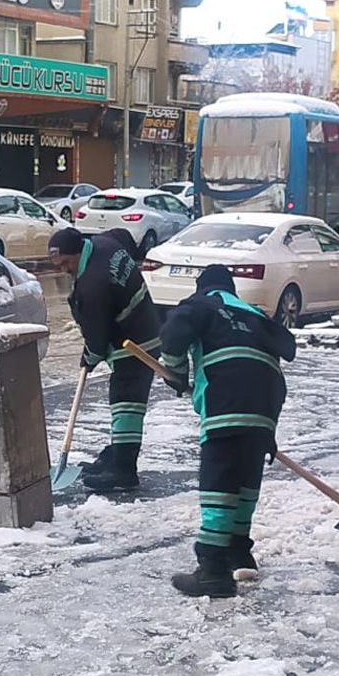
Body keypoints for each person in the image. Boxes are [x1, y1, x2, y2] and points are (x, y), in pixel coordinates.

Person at [158, 264, 297, 597]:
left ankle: (212, 569)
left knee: (219, 481)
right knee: (245, 479)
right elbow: (286, 346)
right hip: (267, 403)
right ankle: (239, 550)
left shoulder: (201, 303)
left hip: (227, 399)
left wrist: (174, 373)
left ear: (201, 286)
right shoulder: (251, 312)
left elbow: (173, 334)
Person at [48, 226, 162, 492]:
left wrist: (89, 357)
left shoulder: (93, 285)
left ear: (77, 252)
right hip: (144, 325)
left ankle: (123, 470)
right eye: (57, 264)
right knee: (126, 402)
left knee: (126, 404)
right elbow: (123, 234)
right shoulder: (104, 244)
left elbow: (97, 342)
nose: (63, 269)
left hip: (135, 345)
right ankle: (118, 453)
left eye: (65, 263)